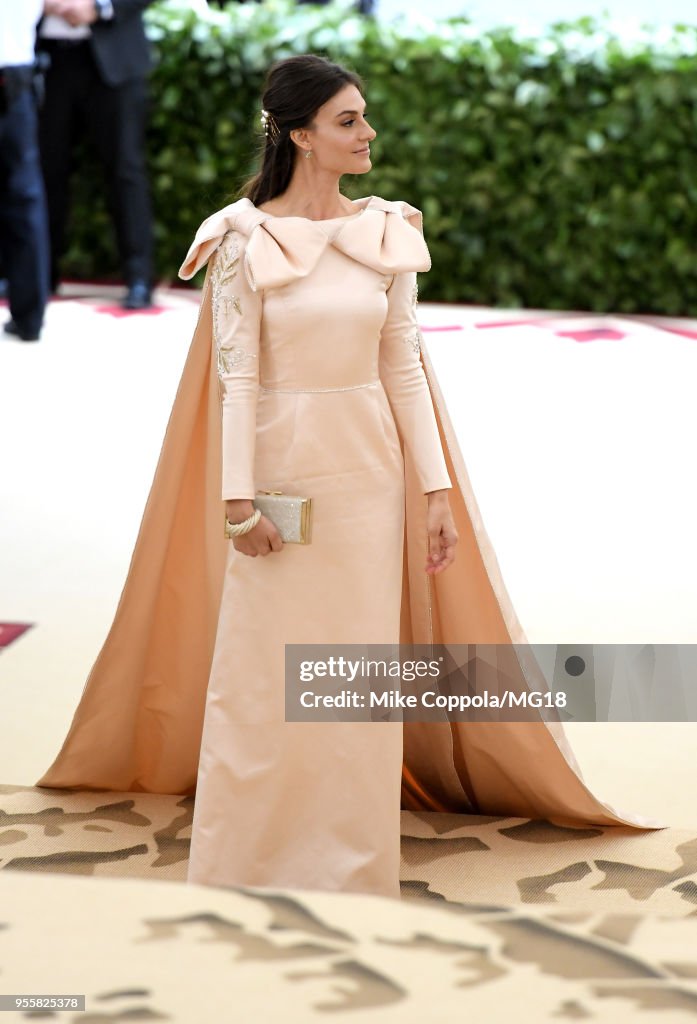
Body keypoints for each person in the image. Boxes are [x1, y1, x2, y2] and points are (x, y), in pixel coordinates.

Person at [35, 55, 660, 898]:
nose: (367, 134)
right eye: (347, 121)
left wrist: (435, 492)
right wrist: (234, 502)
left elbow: (403, 366)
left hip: (370, 470)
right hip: (281, 470)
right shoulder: (240, 238)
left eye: (364, 117)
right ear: (299, 135)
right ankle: (248, 852)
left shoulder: (387, 230)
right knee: (265, 670)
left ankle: (350, 857)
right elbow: (237, 377)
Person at [36, 0, 155, 309]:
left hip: (114, 58)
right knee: (45, 170)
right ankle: (37, 273)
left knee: (125, 170)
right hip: (45, 58)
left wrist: (100, 6)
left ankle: (138, 276)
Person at [0, 0, 50, 343]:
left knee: (24, 196)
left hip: (15, 75)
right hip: (16, 75)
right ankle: (29, 316)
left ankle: (29, 315)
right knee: (24, 196)